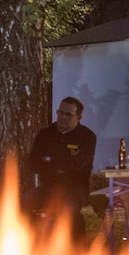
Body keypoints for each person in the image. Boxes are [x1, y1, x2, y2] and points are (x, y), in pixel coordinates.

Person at [29, 97, 97, 239]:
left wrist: (49, 161)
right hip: (47, 185)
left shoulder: (87, 137)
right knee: (24, 204)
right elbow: (33, 163)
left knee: (67, 210)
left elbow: (78, 165)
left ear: (78, 117)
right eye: (60, 112)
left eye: (68, 114)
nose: (62, 117)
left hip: (75, 188)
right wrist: (60, 166)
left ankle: (74, 250)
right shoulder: (45, 134)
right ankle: (30, 249)